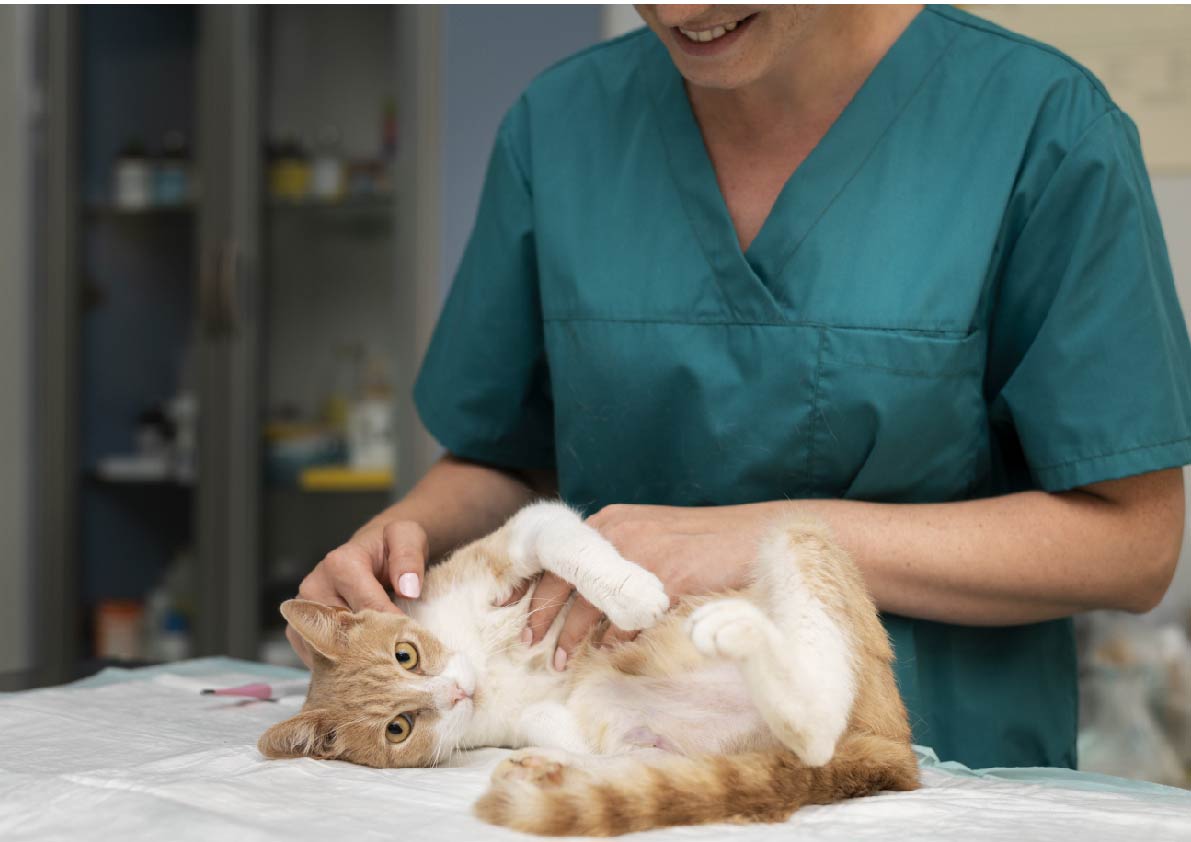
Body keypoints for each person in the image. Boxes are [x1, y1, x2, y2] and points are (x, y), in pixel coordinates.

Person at [289, 5, 1191, 770]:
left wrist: (761, 540)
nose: (682, 8)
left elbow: (1134, 544)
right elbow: (507, 457)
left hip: (911, 765)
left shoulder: (1041, 130)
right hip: (611, 756)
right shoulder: (559, 127)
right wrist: (395, 548)